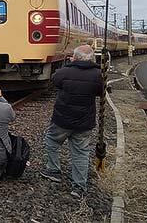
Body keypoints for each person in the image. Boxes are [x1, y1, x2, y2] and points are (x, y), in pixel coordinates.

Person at [39, 44, 103, 199]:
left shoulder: (64, 72)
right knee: (81, 152)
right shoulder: (98, 75)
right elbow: (101, 92)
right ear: (92, 58)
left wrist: (69, 65)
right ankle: (79, 187)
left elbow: (56, 81)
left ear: (74, 57)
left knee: (52, 141)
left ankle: (53, 170)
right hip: (84, 122)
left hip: (62, 119)